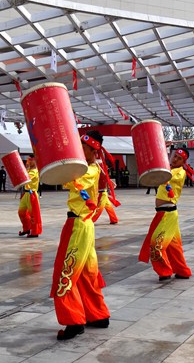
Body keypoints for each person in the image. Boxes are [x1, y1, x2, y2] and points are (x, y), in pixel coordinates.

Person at [51, 130, 111, 341]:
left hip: (78, 225)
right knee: (87, 274)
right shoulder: (92, 168)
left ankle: (74, 321)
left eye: (81, 147)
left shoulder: (90, 170)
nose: (78, 149)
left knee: (65, 273)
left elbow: (68, 180)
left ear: (92, 150)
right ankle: (98, 315)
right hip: (83, 224)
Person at [139, 148, 193, 281]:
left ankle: (164, 271)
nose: (175, 159)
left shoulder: (180, 173)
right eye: (174, 156)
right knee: (174, 246)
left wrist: (160, 150)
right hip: (166, 213)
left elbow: (165, 174)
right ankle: (183, 271)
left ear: (184, 161)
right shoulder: (169, 169)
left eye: (179, 158)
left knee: (156, 245)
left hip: (167, 214)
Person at [18, 156, 42, 237]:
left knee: (33, 214)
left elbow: (25, 178)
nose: (28, 162)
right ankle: (27, 228)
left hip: (32, 194)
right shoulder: (29, 170)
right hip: (26, 194)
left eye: (31, 160)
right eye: (28, 160)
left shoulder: (34, 171)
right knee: (21, 212)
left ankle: (34, 232)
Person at [91, 158, 119, 225]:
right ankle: (114, 219)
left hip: (102, 191)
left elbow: (105, 178)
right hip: (102, 190)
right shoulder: (100, 167)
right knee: (107, 206)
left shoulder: (100, 167)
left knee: (100, 207)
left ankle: (91, 220)